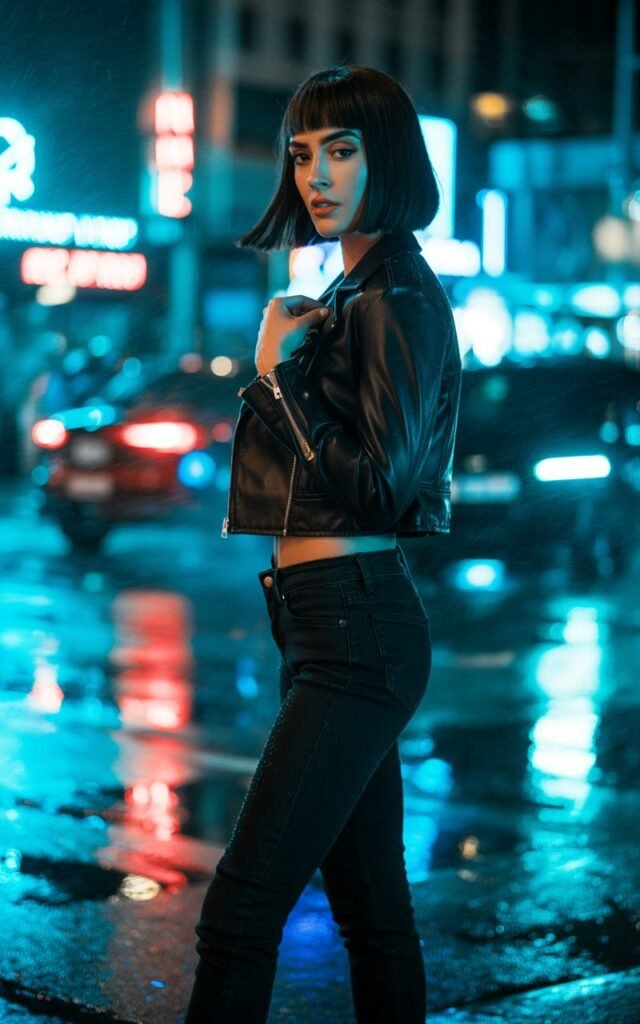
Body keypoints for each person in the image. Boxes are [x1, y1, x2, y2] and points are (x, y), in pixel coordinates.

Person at [184, 64, 462, 1024]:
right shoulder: (351, 290)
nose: (317, 176)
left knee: (240, 911)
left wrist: (277, 379)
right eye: (303, 154)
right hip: (326, 628)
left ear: (388, 159)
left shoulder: (397, 299)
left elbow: (379, 487)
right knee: (372, 912)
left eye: (341, 151)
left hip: (359, 637)